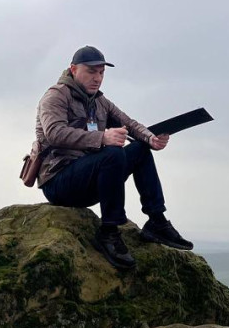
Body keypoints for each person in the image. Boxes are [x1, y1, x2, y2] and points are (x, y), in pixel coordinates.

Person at [35, 45, 193, 270]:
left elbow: (129, 123)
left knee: (139, 149)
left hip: (91, 179)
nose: (97, 78)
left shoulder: (99, 101)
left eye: (101, 73)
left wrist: (150, 139)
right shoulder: (55, 96)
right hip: (59, 181)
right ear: (73, 69)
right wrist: (102, 137)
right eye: (91, 72)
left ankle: (156, 221)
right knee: (112, 152)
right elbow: (54, 133)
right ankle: (109, 231)